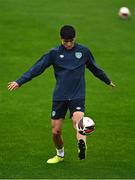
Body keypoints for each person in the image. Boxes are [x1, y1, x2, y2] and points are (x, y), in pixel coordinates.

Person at [8, 25, 115, 164]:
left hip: (77, 95)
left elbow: (95, 68)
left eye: (71, 40)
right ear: (61, 39)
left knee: (79, 123)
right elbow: (37, 68)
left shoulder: (84, 51)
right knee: (56, 132)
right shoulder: (54, 53)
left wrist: (107, 80)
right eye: (66, 41)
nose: (69, 44)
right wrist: (20, 81)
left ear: (75, 37)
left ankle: (81, 146)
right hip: (60, 96)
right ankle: (60, 154)